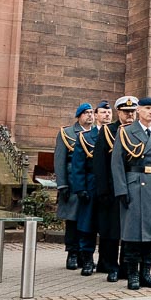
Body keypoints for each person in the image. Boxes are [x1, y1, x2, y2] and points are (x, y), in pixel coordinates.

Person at [113, 97, 151, 290]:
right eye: (147, 108)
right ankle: (132, 275)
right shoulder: (126, 132)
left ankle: (146, 272)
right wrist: (121, 189)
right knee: (132, 235)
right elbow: (117, 164)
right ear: (138, 110)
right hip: (134, 185)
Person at [92, 96, 138, 282]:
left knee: (128, 230)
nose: (129, 115)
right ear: (118, 112)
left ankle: (126, 266)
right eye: (126, 112)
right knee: (110, 230)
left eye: (132, 111)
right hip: (110, 189)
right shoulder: (108, 131)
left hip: (132, 188)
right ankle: (108, 264)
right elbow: (100, 163)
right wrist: (102, 190)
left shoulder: (137, 131)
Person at [73, 101, 115, 276]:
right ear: (96, 115)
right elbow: (78, 165)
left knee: (108, 226)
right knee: (87, 225)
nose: (107, 115)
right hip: (91, 187)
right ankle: (88, 261)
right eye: (103, 112)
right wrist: (80, 188)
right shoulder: (86, 137)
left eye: (109, 112)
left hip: (110, 188)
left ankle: (107, 262)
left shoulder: (118, 135)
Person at [54, 103, 92, 270]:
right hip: (72, 182)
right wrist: (62, 184)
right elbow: (60, 160)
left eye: (91, 112)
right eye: (86, 113)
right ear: (79, 116)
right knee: (72, 220)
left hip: (89, 182)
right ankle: (72, 253)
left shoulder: (96, 133)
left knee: (88, 220)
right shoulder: (67, 133)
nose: (89, 116)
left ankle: (85, 255)